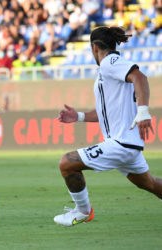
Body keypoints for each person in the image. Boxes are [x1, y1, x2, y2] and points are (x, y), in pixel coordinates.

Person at [54, 26, 162, 227]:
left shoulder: (109, 63)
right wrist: (77, 116)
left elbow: (140, 78)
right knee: (151, 184)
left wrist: (144, 111)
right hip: (127, 145)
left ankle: (83, 211)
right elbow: (105, 113)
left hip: (121, 144)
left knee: (67, 163)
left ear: (94, 47)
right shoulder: (109, 71)